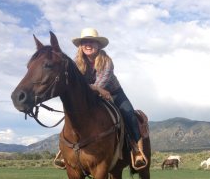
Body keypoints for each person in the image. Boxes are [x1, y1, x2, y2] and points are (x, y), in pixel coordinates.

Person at [54, 28, 147, 170]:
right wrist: (93, 90)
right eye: (85, 41)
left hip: (114, 93)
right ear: (81, 46)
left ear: (98, 45)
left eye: (92, 41)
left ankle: (136, 150)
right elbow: (75, 84)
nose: (88, 44)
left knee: (129, 114)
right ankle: (65, 150)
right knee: (73, 116)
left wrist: (95, 89)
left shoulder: (106, 61)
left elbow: (100, 84)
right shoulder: (76, 63)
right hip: (90, 95)